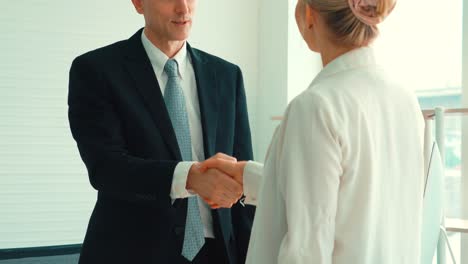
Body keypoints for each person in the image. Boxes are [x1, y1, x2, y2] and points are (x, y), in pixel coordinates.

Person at [200, 0, 425, 263]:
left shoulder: (316, 106)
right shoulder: (404, 99)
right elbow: (357, 199)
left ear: (308, 15)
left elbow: (306, 252)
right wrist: (250, 176)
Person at [67, 0, 255, 263]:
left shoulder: (226, 75)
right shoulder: (96, 70)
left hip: (218, 252)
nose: (184, 8)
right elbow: (106, 168)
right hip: (131, 251)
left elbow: (241, 173)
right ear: (138, 3)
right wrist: (189, 177)